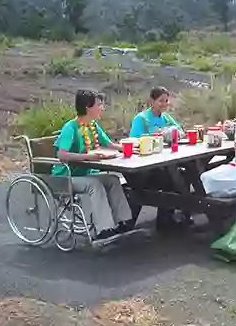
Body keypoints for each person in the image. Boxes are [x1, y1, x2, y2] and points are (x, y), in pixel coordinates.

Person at [52, 89, 133, 240]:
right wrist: (88, 157)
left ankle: (124, 221)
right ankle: (104, 229)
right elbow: (61, 155)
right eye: (99, 105)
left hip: (86, 173)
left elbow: (108, 143)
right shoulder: (71, 127)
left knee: (113, 180)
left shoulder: (93, 125)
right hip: (66, 176)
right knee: (95, 186)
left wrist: (131, 148)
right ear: (88, 107)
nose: (102, 108)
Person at [129, 86, 192, 230]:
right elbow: (133, 140)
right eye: (160, 101)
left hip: (164, 160)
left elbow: (180, 132)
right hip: (146, 165)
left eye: (166, 101)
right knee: (173, 178)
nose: (164, 104)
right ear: (152, 101)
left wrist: (173, 133)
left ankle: (167, 218)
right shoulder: (142, 119)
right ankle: (167, 219)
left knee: (182, 175)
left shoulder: (166, 117)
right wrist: (154, 137)